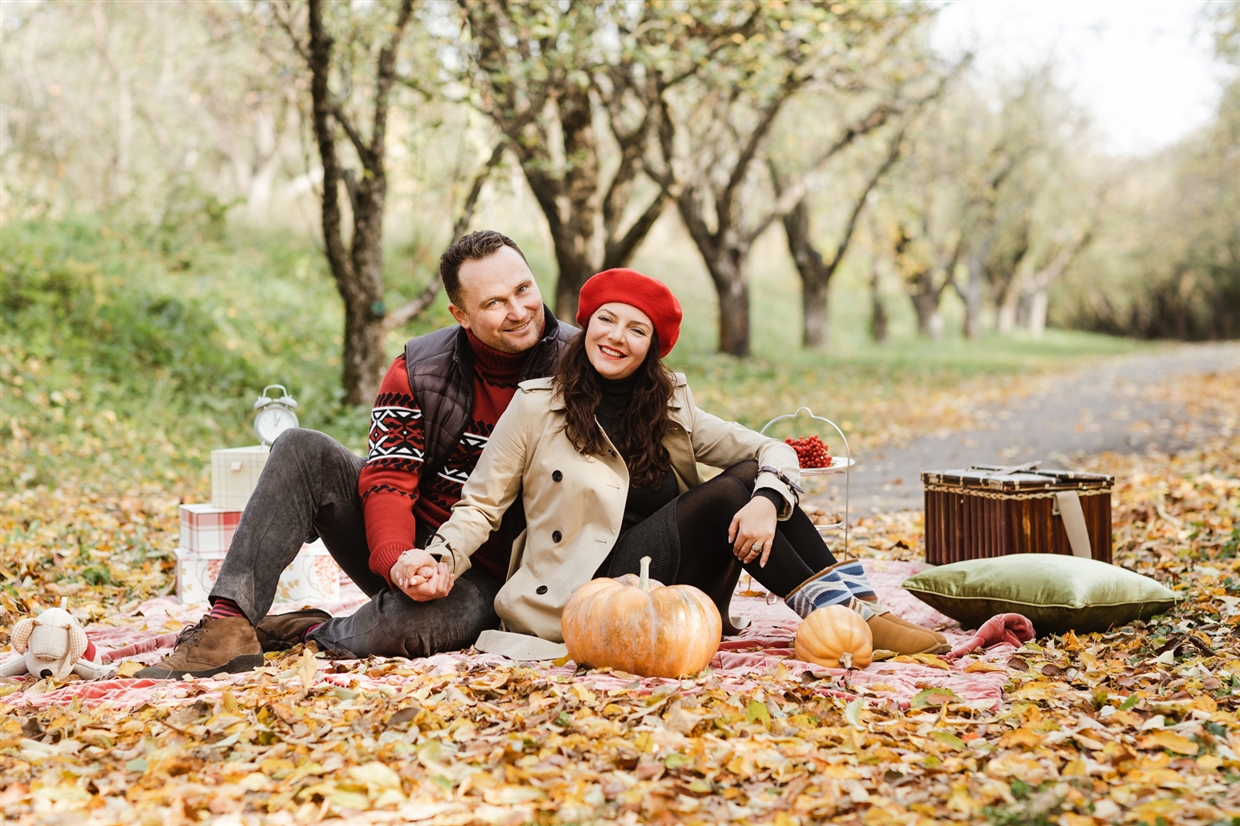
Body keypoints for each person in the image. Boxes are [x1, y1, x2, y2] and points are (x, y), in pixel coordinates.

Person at [395, 268, 948, 659]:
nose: (617, 337)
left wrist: (768, 500)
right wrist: (441, 556)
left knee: (752, 479)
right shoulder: (539, 404)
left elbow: (771, 449)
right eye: (607, 321)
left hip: (676, 588)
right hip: (593, 593)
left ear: (653, 346)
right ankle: (848, 618)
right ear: (587, 326)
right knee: (732, 490)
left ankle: (856, 612)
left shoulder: (667, 405)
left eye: (637, 330)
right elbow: (482, 503)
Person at [138, 230, 575, 678]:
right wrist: (398, 561)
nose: (519, 311)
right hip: (406, 539)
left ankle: (309, 632)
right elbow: (389, 478)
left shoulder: (579, 369)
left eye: (523, 289)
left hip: (492, 572)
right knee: (301, 448)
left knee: (401, 632)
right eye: (494, 303)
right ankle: (226, 628)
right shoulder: (420, 368)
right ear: (460, 314)